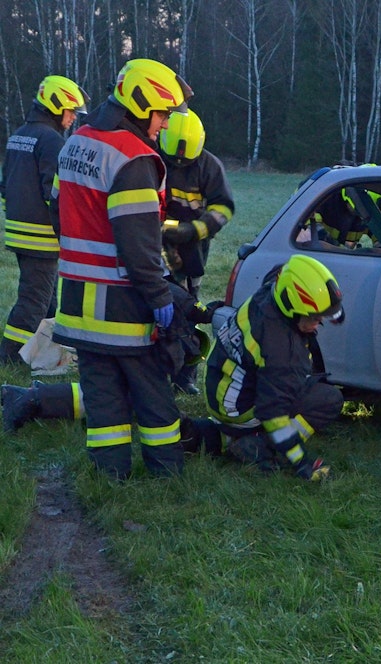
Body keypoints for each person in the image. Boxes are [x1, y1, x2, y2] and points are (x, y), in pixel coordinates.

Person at [51, 58, 193, 480]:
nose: (165, 124)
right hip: (122, 305)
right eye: (163, 114)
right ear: (141, 104)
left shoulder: (77, 139)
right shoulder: (134, 158)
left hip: (77, 300)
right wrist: (160, 297)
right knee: (151, 392)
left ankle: (109, 475)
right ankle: (167, 473)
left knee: (103, 397)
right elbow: (139, 245)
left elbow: (58, 212)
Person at [199, 255, 345, 482]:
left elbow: (287, 270)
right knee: (328, 399)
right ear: (293, 310)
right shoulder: (282, 351)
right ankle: (258, 446)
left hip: (220, 387)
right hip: (240, 409)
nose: (319, 322)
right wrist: (301, 462)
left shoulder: (272, 290)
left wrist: (332, 308)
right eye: (314, 317)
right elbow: (273, 412)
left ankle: (232, 435)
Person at [1, 281, 218, 433]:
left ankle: (30, 397)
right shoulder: (163, 287)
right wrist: (201, 311)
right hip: (120, 328)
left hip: (108, 321)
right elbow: (160, 284)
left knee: (115, 393)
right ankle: (31, 398)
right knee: (121, 396)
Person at [1, 75, 90, 365]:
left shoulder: (19, 135)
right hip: (41, 235)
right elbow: (56, 193)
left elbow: (6, 184)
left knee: (47, 298)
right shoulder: (52, 140)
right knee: (34, 301)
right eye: (71, 111)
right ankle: (10, 358)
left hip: (19, 231)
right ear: (56, 106)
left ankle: (43, 352)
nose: (73, 118)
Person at [158, 108, 235, 394]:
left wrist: (196, 230)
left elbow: (224, 207)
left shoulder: (209, 166)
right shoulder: (152, 158)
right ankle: (156, 367)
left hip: (191, 253)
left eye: (184, 161)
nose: (178, 164)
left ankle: (186, 374)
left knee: (190, 309)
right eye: (173, 160)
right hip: (153, 245)